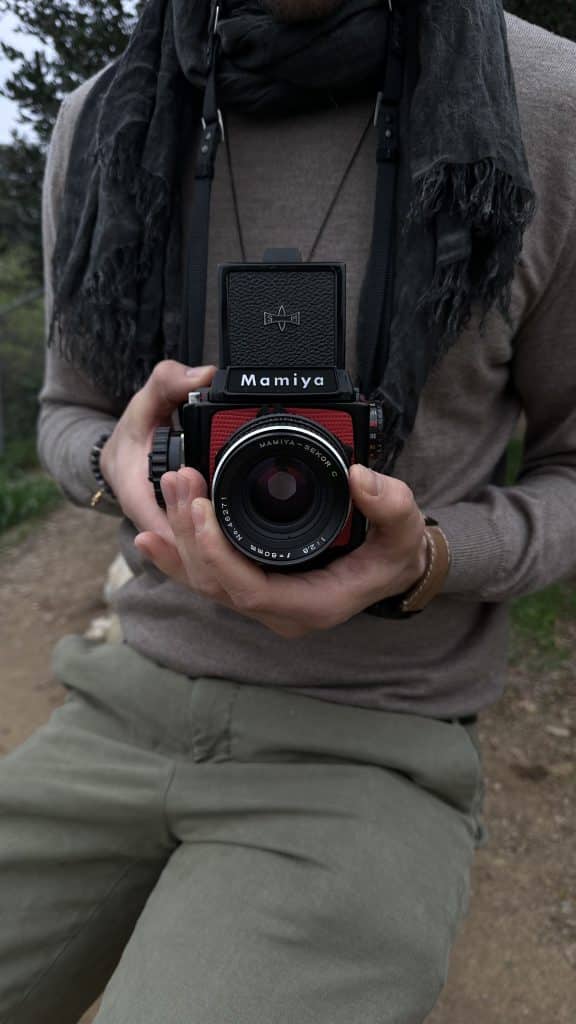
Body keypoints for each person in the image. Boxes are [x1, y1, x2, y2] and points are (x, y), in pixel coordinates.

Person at [1, 1, 575, 1022]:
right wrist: (115, 461)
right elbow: (68, 410)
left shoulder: (548, 108)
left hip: (377, 740)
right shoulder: (103, 123)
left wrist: (430, 558)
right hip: (122, 701)